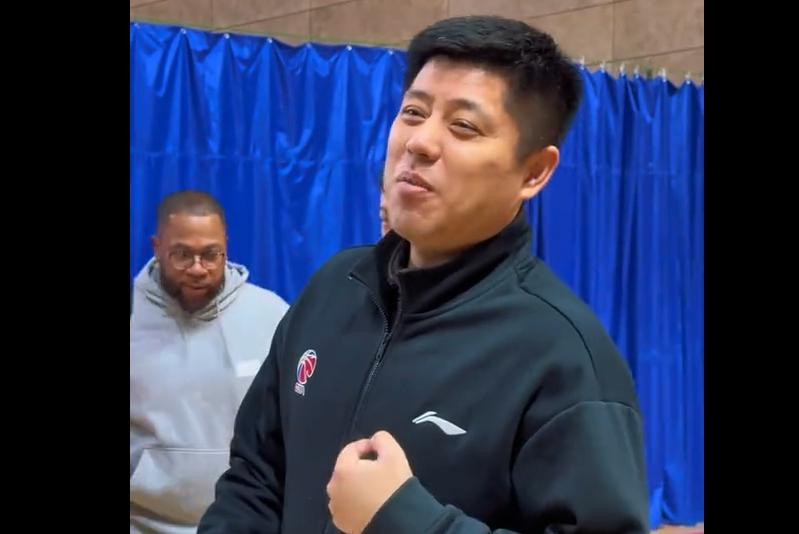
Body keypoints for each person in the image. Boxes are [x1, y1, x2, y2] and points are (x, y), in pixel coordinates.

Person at [199, 15, 649, 534]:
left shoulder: (564, 357)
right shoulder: (333, 289)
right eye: (413, 112)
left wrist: (404, 519)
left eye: (463, 126)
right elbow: (254, 478)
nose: (420, 142)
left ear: (534, 172)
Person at [130, 190, 289, 533]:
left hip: (243, 524)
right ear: (157, 247)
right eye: (182, 255)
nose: (198, 269)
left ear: (226, 247)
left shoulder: (272, 315)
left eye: (210, 254)